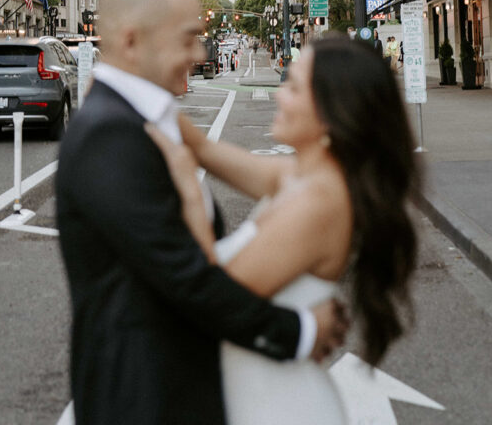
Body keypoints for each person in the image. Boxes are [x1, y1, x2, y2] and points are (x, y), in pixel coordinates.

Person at [56, 0, 348, 425]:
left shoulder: (142, 123)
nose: (200, 53)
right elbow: (187, 280)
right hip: (144, 403)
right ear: (133, 42)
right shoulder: (111, 134)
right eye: (189, 38)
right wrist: (300, 331)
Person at [148, 35, 419, 425]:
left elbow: (208, 298)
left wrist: (189, 194)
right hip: (258, 398)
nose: (278, 93)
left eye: (292, 86)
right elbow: (204, 149)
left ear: (330, 112)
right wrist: (132, 89)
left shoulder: (320, 202)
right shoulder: (302, 177)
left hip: (280, 408)